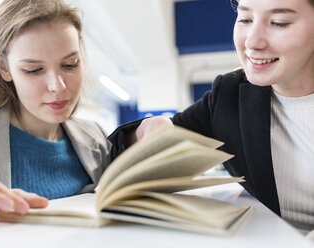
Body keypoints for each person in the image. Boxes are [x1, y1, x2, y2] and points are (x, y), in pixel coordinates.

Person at [108, 0, 314, 232]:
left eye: (279, 23)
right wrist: (142, 134)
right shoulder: (229, 97)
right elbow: (119, 160)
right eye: (245, 19)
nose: (252, 42)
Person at [0, 0, 111, 227]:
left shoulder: (96, 136)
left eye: (70, 64)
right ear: (3, 66)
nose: (57, 86)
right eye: (34, 69)